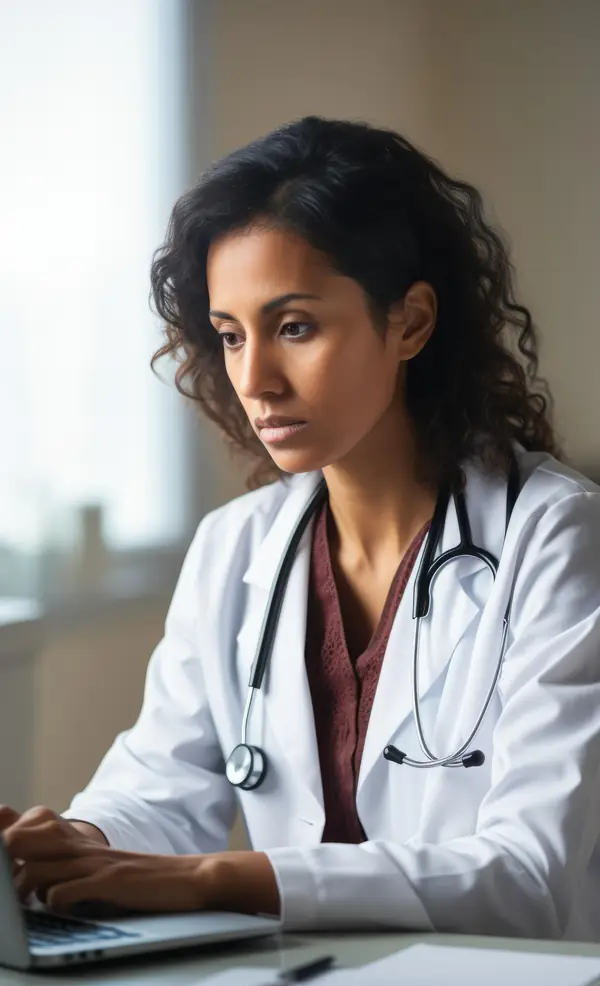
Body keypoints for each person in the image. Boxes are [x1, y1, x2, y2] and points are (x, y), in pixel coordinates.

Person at [2, 116, 600, 940]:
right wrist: (78, 844)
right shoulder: (237, 547)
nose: (255, 380)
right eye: (230, 335)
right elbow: (159, 788)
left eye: (294, 327)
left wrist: (216, 876)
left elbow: (529, 874)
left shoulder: (555, 535)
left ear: (411, 323)